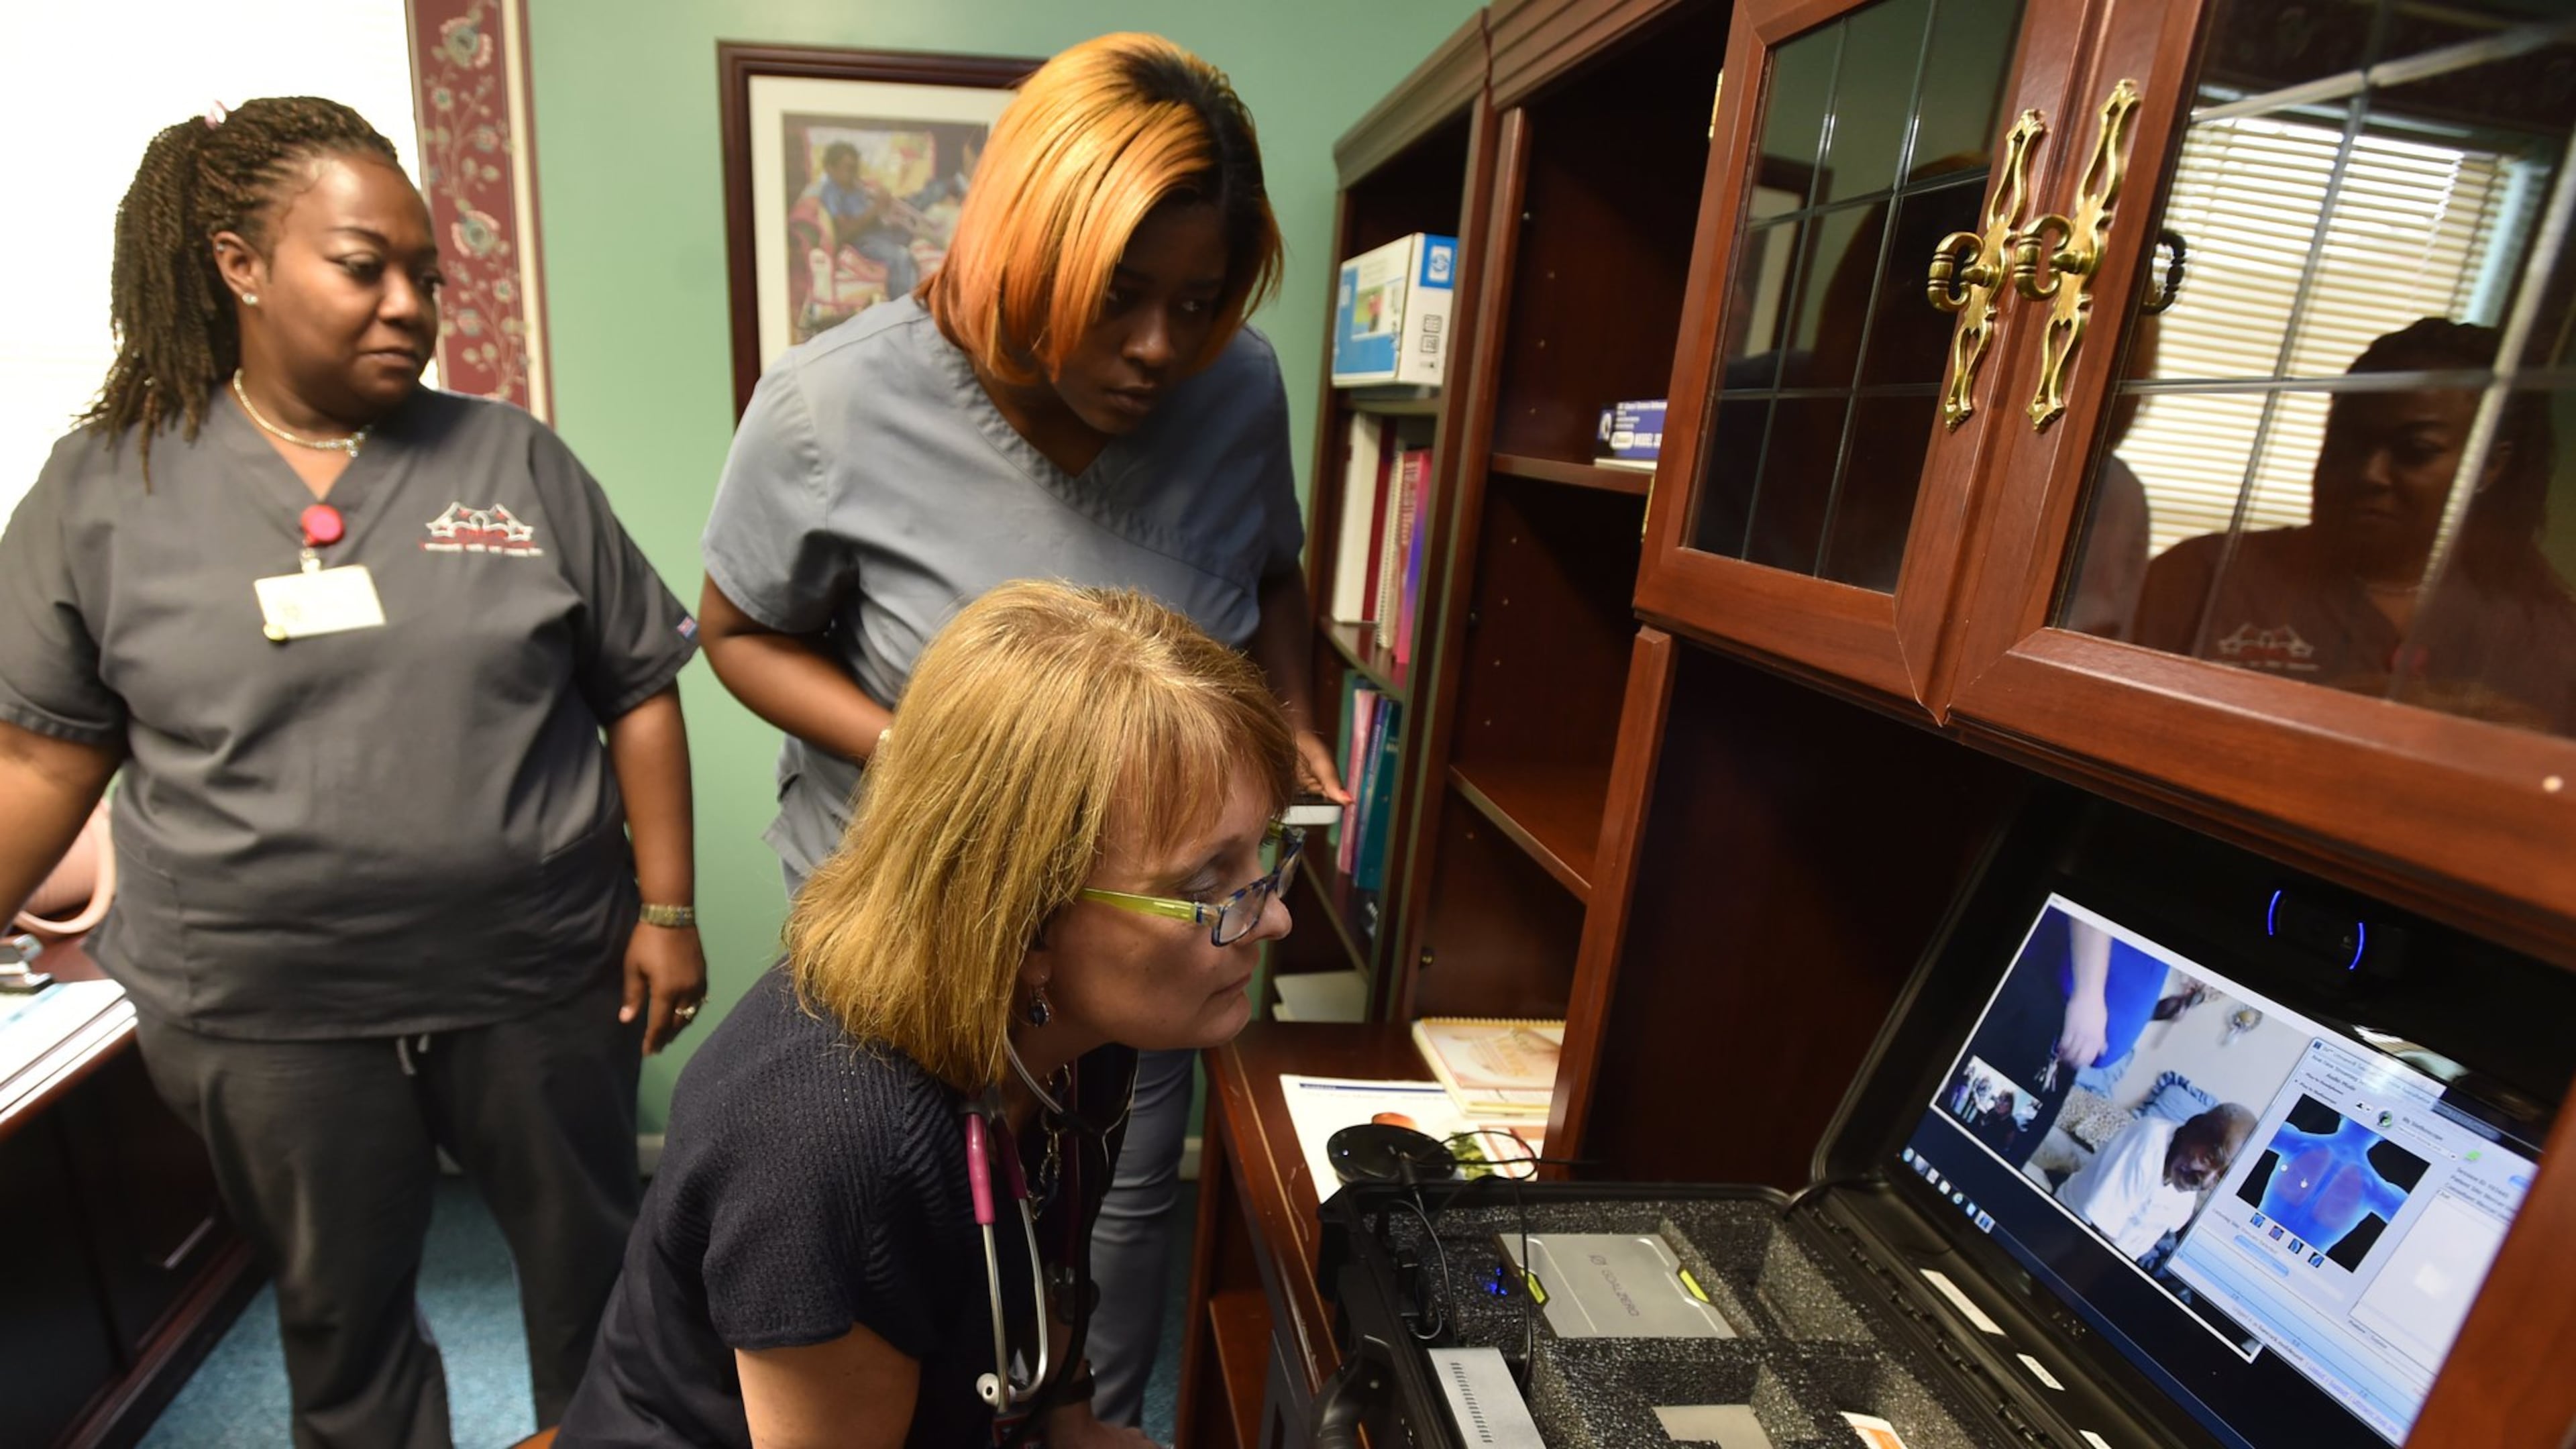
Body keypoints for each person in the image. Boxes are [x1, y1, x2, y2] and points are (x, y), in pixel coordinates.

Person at [0, 98, 704, 1446]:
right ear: (238, 264)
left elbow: (640, 688)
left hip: (536, 978)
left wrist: (665, 910)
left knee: (599, 1284)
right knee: (339, 1315)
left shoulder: (514, 461)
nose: (409, 305)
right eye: (364, 266)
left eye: (427, 277)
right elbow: (40, 753)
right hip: (270, 1007)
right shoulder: (103, 489)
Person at [697, 33, 1344, 1425]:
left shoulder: (1237, 392)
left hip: (1142, 919)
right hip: (936, 929)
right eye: (1119, 298)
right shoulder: (832, 403)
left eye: (1202, 298)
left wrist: (1287, 723)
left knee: (1084, 1231)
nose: (1161, 349)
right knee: (903, 1229)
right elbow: (736, 632)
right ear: (1022, 244)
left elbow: (1275, 571)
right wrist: (955, 776)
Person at [558, 581, 1297, 1449]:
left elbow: (1044, 1268)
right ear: (1023, 916)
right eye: (1205, 885)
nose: (1275, 916)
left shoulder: (1075, 1028)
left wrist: (1074, 1430)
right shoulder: (835, 1148)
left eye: (1269, 851)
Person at [2133, 317, 2576, 732]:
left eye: (2415, 450)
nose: (2370, 473)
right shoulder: (2206, 575)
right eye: (2348, 443)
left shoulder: (2550, 634)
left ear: (2489, 467)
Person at [2058, 1103, 2255, 1262]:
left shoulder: (2189, 1181)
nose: (2206, 1181)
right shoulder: (2147, 1140)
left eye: (2222, 1176)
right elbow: (2097, 1241)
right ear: (2193, 1129)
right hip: (2070, 1237)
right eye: (2210, 1158)